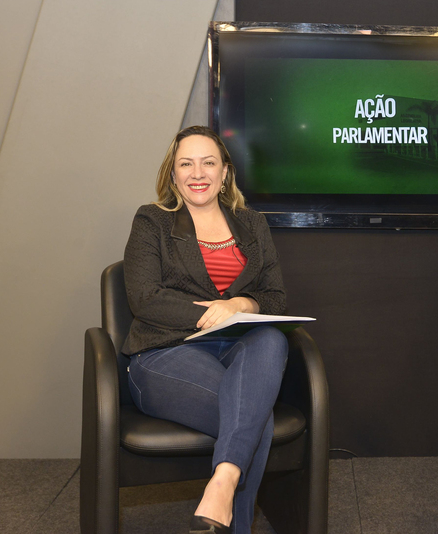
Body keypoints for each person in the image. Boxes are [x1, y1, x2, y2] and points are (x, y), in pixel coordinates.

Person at [122, 125, 288, 534]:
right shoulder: (152, 221)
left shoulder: (252, 224)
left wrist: (241, 305)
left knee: (271, 338)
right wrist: (213, 314)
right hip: (164, 353)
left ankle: (221, 483)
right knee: (256, 418)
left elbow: (275, 297)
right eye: (186, 164)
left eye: (208, 163)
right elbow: (144, 297)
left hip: (236, 349)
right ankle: (232, 508)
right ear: (173, 174)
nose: (198, 173)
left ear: (225, 172)